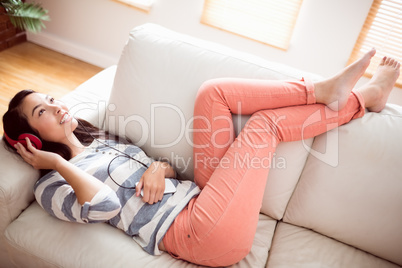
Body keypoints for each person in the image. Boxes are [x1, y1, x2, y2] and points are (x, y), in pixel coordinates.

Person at [2, 49, 400, 267]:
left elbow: (160, 173)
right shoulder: (52, 185)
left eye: (52, 99)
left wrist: (160, 166)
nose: (58, 107)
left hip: (201, 197)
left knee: (214, 93)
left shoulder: (103, 140)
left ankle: (321, 90)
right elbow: (104, 205)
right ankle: (362, 99)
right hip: (200, 235)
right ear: (31, 139)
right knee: (263, 128)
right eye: (43, 112)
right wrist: (55, 163)